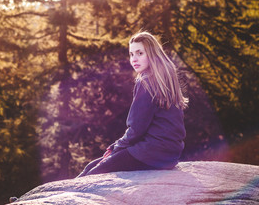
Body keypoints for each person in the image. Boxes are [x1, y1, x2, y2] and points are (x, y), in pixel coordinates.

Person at [77, 31, 188, 177]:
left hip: (152, 152)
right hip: (170, 154)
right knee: (92, 165)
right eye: (131, 54)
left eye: (140, 53)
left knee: (94, 172)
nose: (134, 59)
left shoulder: (146, 81)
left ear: (152, 54)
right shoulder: (165, 77)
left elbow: (137, 128)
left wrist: (117, 146)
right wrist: (116, 147)